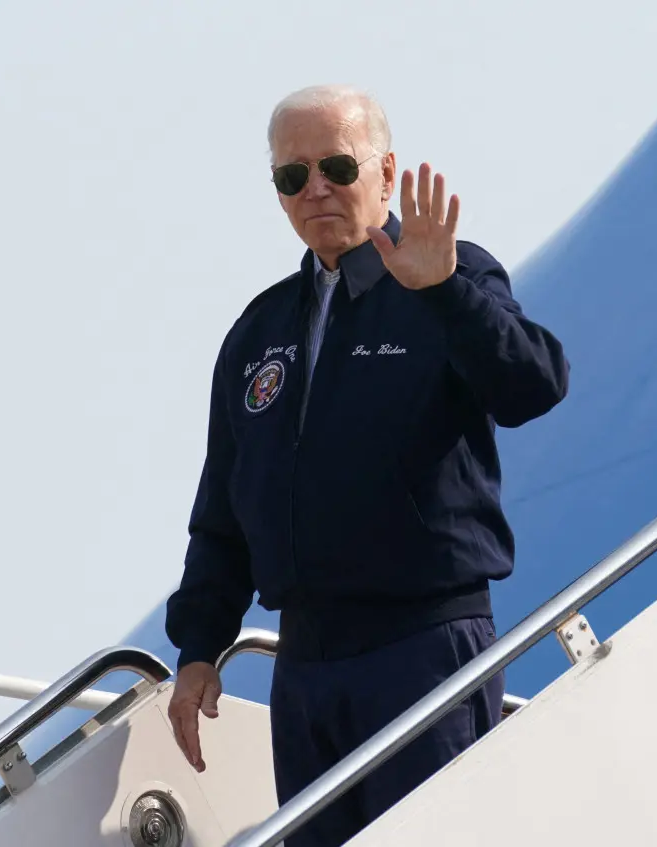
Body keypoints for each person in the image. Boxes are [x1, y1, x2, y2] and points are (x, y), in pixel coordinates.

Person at [163, 84, 570, 846]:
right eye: (293, 175)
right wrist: (197, 647)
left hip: (421, 645)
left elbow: (533, 384)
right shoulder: (258, 331)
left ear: (386, 174)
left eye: (336, 167)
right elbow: (224, 512)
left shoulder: (451, 278)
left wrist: (446, 291)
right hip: (307, 666)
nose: (315, 188)